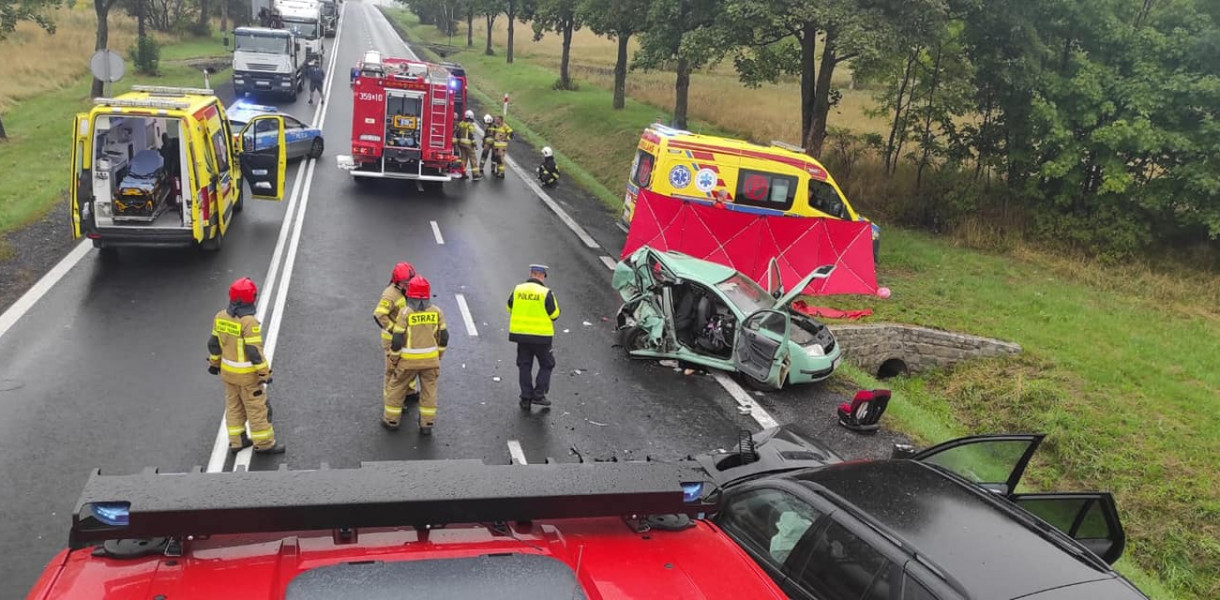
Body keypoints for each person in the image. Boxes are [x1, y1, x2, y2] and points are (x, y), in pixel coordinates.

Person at [207, 277, 285, 455]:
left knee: (234, 406)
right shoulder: (249, 322)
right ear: (251, 297)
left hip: (228, 374)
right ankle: (264, 444)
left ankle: (237, 441)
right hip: (248, 377)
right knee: (257, 408)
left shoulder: (220, 316)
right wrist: (265, 373)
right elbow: (254, 352)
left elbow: (213, 344)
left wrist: (214, 363)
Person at [385, 276, 448, 434]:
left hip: (407, 363)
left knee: (397, 388)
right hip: (431, 362)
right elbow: (444, 336)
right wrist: (438, 355)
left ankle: (392, 420)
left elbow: (397, 339)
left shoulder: (405, 313)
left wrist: (394, 358)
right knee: (429, 391)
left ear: (410, 294)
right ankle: (427, 424)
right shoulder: (437, 311)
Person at [506, 264, 559, 409]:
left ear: (531, 274)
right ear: (542, 276)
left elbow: (509, 307)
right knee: (547, 364)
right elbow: (554, 315)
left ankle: (525, 398)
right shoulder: (546, 292)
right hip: (541, 338)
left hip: (521, 336)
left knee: (524, 366)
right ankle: (538, 395)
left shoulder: (518, 289)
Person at [375, 262, 418, 406]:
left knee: (407, 366)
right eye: (405, 283)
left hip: (406, 338)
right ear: (397, 282)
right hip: (392, 340)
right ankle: (391, 401)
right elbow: (379, 315)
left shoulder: (406, 290)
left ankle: (409, 392)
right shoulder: (390, 295)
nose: (408, 285)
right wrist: (395, 330)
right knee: (392, 371)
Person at [454, 110, 480, 180]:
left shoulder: (461, 123)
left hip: (461, 144)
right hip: (469, 144)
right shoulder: (470, 124)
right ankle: (476, 175)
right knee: (473, 158)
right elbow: (471, 134)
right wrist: (474, 144)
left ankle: (463, 174)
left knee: (463, 159)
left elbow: (458, 133)